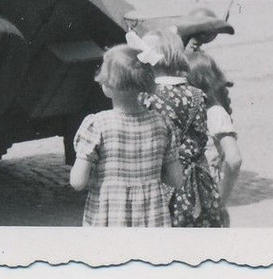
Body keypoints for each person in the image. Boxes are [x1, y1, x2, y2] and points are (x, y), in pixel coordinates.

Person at [69, 44, 183, 227]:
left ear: (107, 84)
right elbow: (176, 180)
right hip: (152, 218)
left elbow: (77, 182)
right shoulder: (162, 123)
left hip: (109, 216)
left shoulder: (96, 125)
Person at [135, 27, 225, 227]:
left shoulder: (147, 97)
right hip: (197, 179)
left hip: (160, 179)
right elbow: (201, 136)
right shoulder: (196, 95)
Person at [185, 49, 241, 226]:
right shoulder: (216, 112)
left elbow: (234, 159)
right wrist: (221, 200)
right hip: (208, 194)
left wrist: (221, 200)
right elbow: (233, 161)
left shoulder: (208, 114)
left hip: (193, 195)